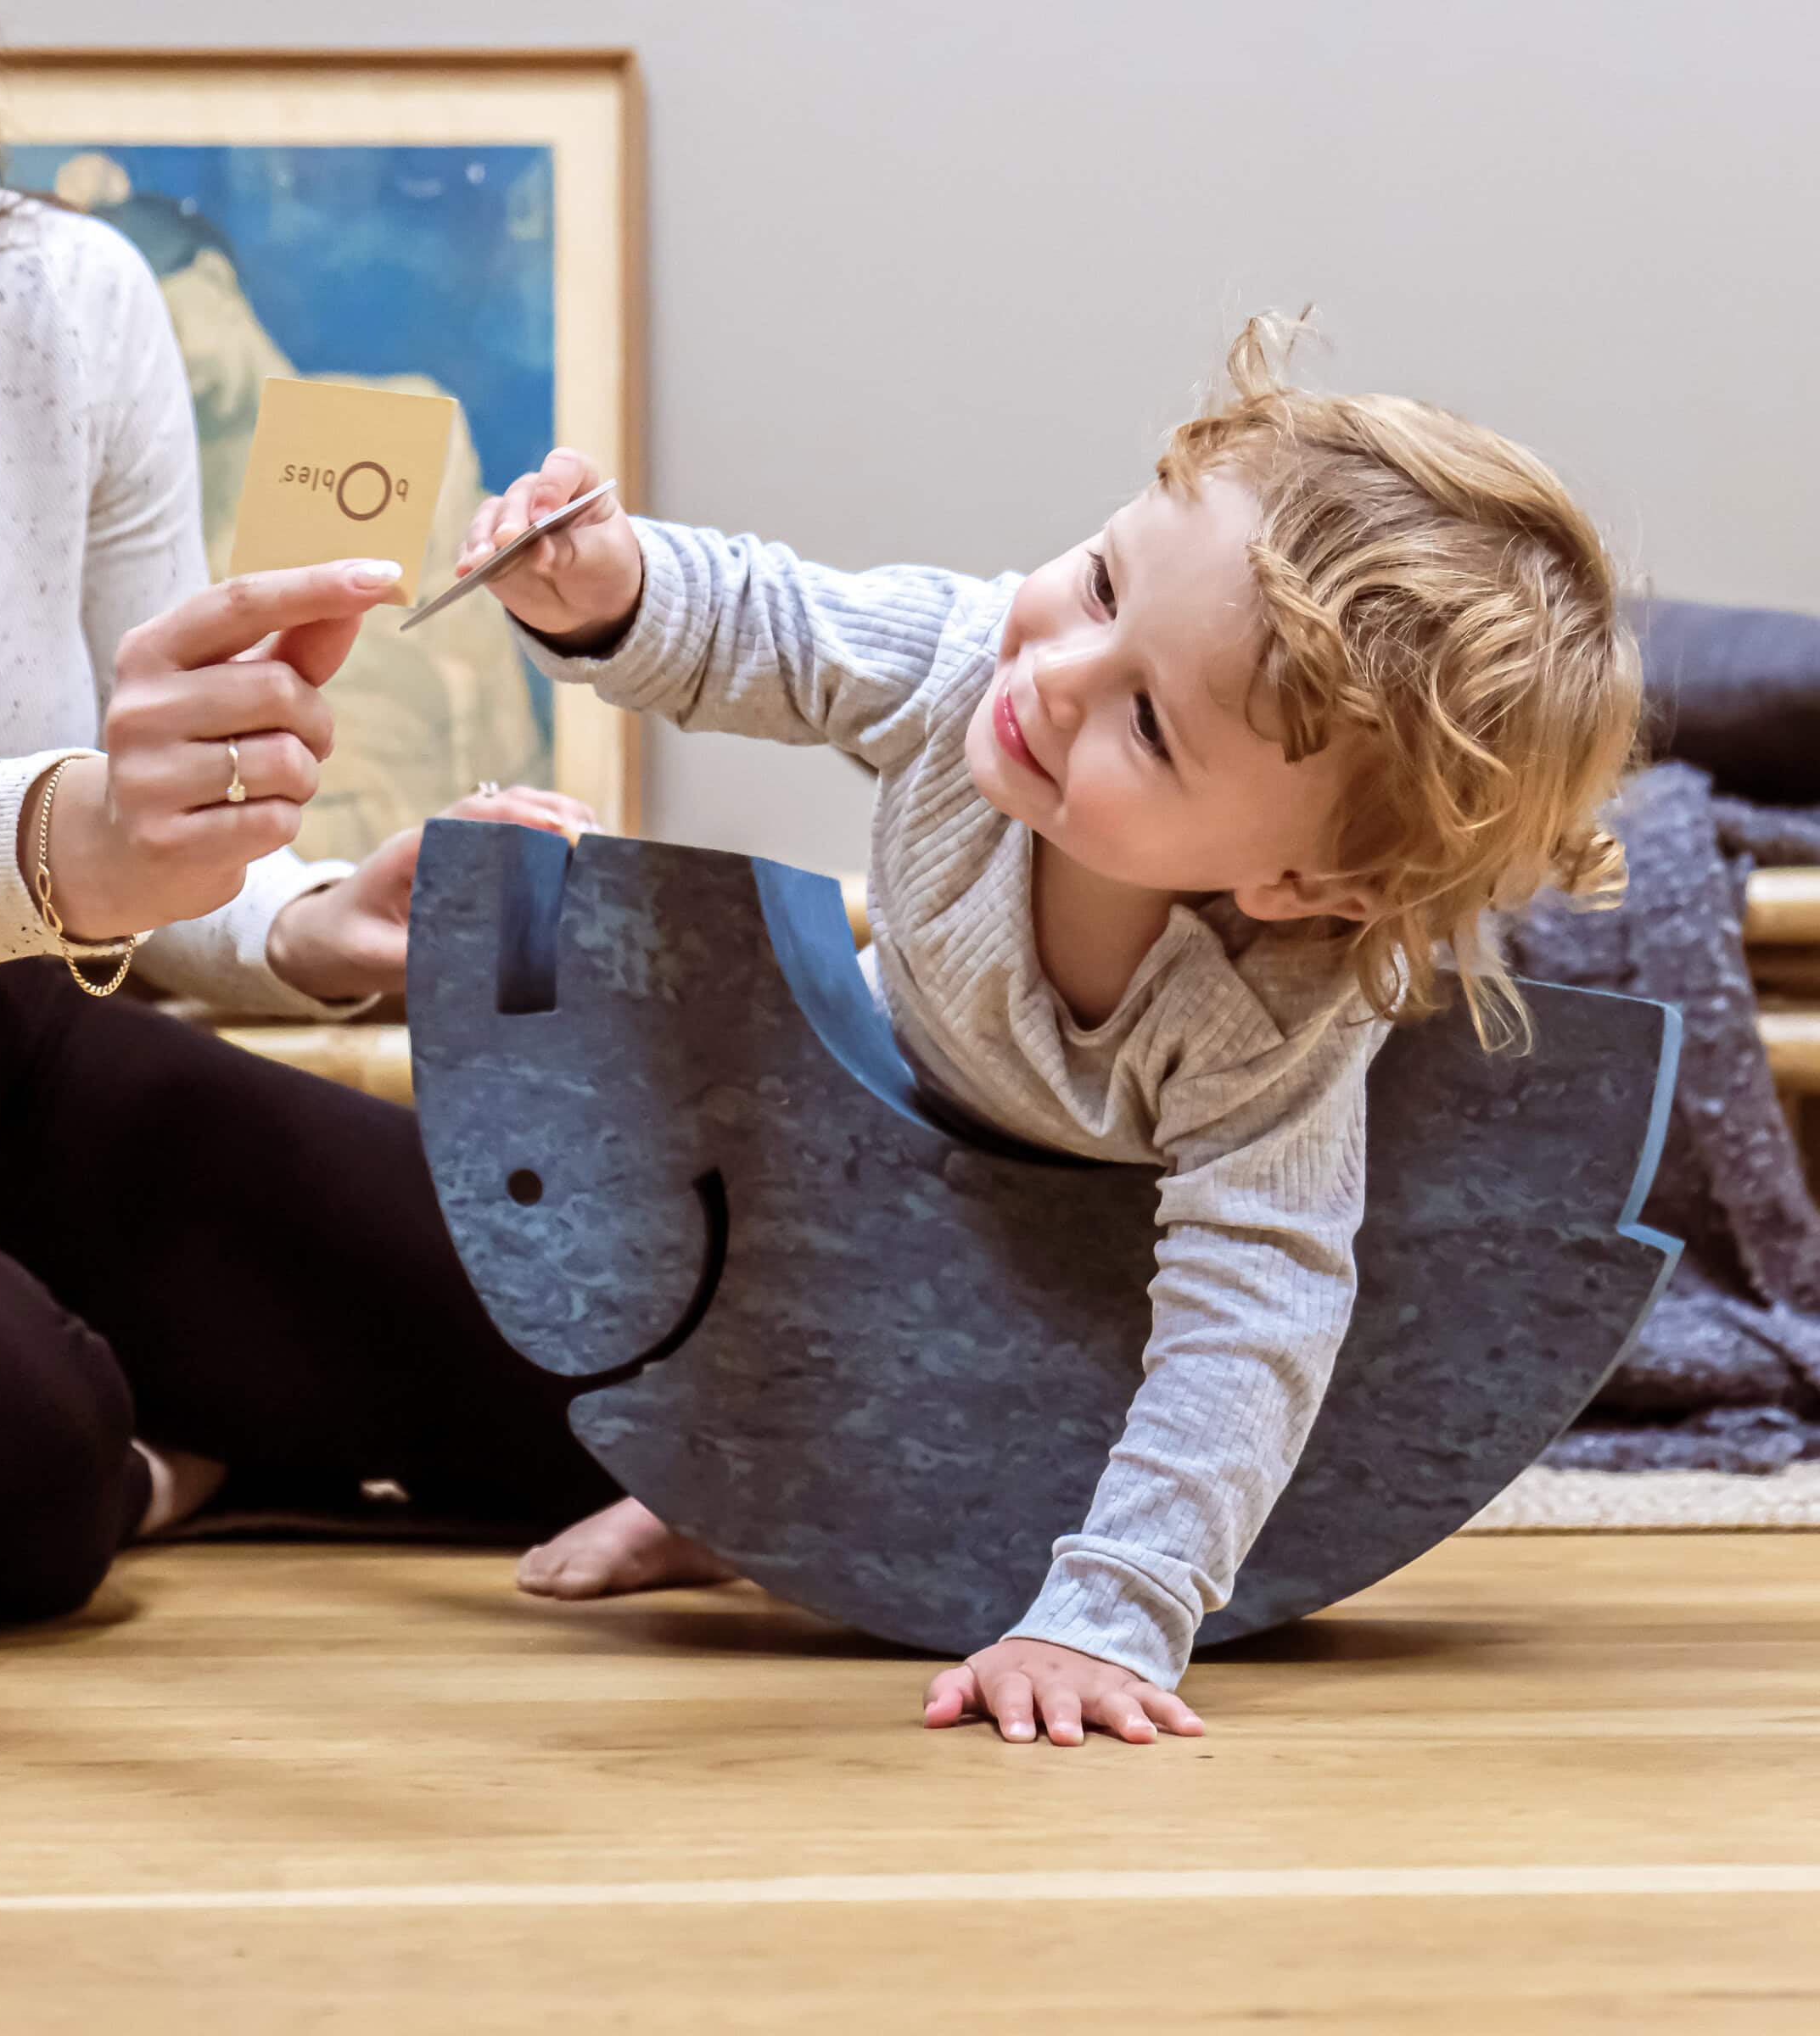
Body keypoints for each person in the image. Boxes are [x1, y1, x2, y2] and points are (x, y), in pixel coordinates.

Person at [454, 331, 1642, 1747]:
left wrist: (1113, 1617)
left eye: (1148, 724)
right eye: (1102, 581)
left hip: (1097, 1238)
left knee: (1091, 1337)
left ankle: (844, 1501)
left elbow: (1252, 1312)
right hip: (883, 1112)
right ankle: (730, 1490)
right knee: (768, 1182)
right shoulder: (966, 663)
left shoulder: (1266, 1012)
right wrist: (613, 589)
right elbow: (777, 624)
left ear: (1296, 883)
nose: (1060, 673)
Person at [0, 0, 619, 1627]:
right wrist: (85, 842)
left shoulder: (69, 299)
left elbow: (139, 815)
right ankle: (157, 1464)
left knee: (602, 1340)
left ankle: (164, 1430)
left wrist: (303, 917)